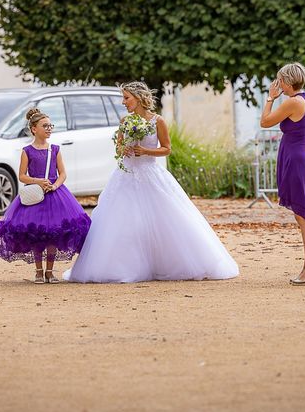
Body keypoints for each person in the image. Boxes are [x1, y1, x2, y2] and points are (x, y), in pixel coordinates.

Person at [63, 81, 239, 283]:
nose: (123, 102)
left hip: (150, 173)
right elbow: (118, 148)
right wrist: (125, 149)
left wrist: (145, 151)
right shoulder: (125, 121)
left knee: (165, 219)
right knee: (123, 221)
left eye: (126, 98)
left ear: (138, 98)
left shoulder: (158, 121)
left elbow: (166, 148)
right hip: (126, 176)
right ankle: (123, 266)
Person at [0, 109, 91, 283]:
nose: (49, 129)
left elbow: (62, 173)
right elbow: (22, 175)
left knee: (53, 231)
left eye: (50, 126)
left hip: (55, 195)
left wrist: (54, 185)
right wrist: (38, 181)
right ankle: (38, 271)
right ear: (34, 129)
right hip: (35, 195)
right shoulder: (27, 151)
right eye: (44, 126)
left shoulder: (55, 150)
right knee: (36, 232)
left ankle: (50, 271)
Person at [260, 63, 305, 286]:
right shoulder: (303, 100)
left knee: (303, 216)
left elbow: (265, 122)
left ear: (286, 81)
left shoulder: (294, 101)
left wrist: (270, 98)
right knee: (301, 215)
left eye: (280, 81)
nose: (279, 86)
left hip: (297, 161)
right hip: (298, 158)